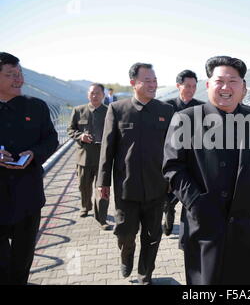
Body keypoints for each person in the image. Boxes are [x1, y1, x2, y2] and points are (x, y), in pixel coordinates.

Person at [162, 56, 250, 285]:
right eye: (220, 81)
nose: (226, 87)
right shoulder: (186, 119)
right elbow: (173, 167)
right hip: (208, 221)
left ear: (243, 86)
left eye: (233, 81)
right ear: (208, 85)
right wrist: (196, 203)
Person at [97, 63, 174, 285]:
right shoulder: (118, 109)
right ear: (133, 83)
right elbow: (108, 148)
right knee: (125, 233)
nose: (153, 84)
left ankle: (145, 275)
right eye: (147, 80)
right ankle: (126, 254)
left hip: (157, 186)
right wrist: (103, 182)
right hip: (126, 187)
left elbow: (173, 149)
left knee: (152, 236)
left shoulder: (166, 111)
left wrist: (172, 178)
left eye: (155, 80)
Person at [0, 52, 59, 284]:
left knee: (22, 259)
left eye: (20, 74)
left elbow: (51, 140)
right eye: (10, 75)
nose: (18, 79)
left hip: (28, 196)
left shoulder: (36, 107)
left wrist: (34, 154)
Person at [163, 70, 204, 237]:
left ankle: (189, 234)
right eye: (187, 86)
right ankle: (168, 211)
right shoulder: (166, 108)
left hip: (194, 160)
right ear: (178, 85)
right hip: (172, 158)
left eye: (194, 86)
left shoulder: (202, 108)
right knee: (168, 197)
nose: (191, 89)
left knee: (190, 197)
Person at [67, 83, 111, 230]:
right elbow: (70, 129)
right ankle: (85, 206)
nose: (95, 96)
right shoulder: (79, 110)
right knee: (84, 186)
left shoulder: (109, 111)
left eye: (98, 93)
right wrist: (81, 136)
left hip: (102, 158)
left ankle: (102, 218)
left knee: (102, 189)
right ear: (88, 95)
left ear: (103, 95)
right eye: (92, 93)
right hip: (84, 157)